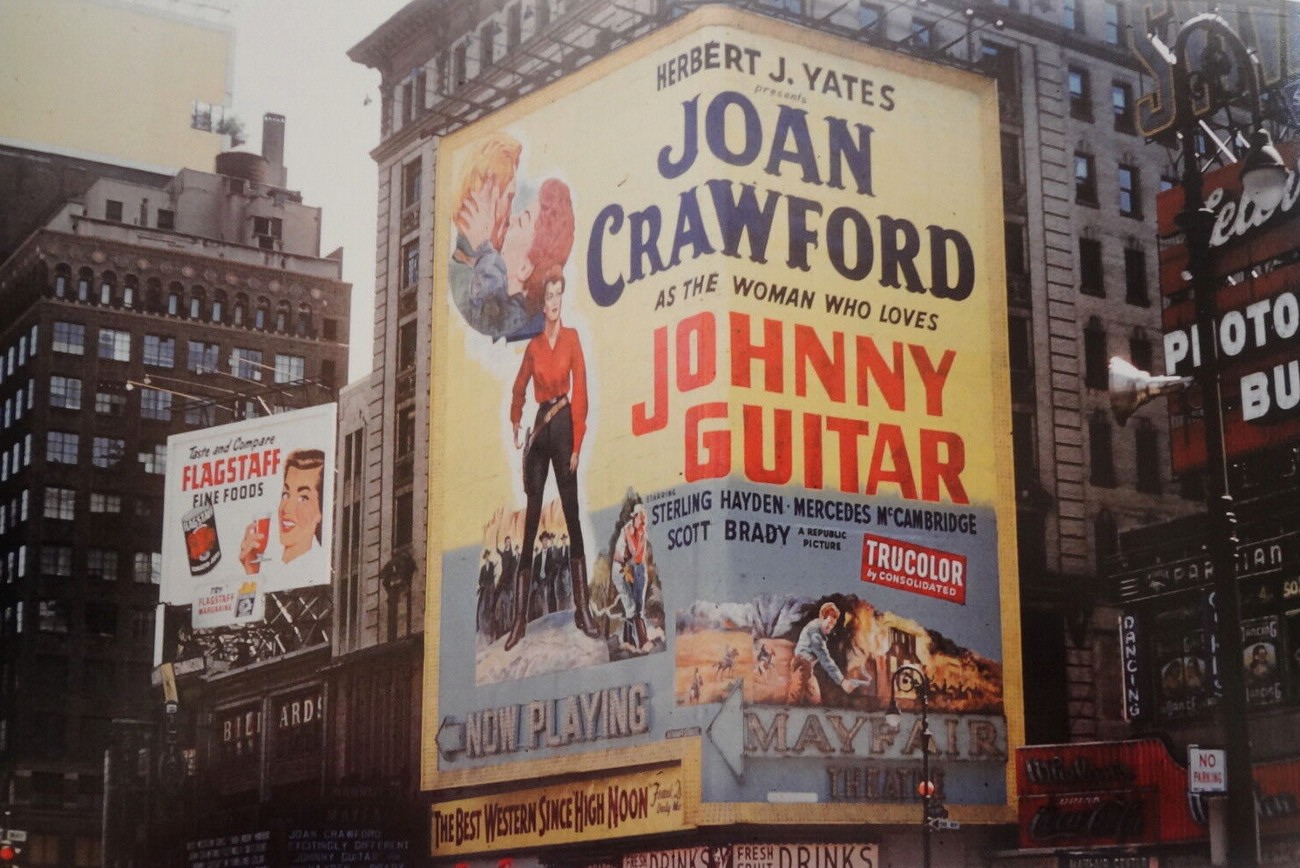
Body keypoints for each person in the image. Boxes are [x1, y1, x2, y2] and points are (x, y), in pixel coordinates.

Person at [505, 266, 599, 650]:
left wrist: (577, 444)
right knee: (531, 518)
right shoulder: (534, 347)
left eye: (559, 294)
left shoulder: (573, 339)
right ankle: (519, 621)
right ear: (542, 305)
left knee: (572, 512)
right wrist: (515, 422)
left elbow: (582, 392)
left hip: (564, 429)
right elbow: (518, 388)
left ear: (563, 298)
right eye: (549, 296)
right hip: (541, 432)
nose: (555, 302)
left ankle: (583, 610)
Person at [239, 449, 328, 592]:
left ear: (320, 512)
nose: (286, 508)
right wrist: (251, 572)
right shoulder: (271, 566)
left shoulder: (316, 569)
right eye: (286, 495)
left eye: (302, 498)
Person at [786, 602, 870, 706]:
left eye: (833, 624)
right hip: (802, 666)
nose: (830, 627)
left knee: (816, 701)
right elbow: (825, 660)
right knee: (793, 700)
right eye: (829, 622)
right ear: (822, 617)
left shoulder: (817, 630)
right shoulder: (815, 634)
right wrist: (842, 681)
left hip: (807, 668)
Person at [612, 503, 652, 651]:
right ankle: (639, 641)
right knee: (631, 606)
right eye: (640, 519)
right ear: (635, 517)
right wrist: (634, 536)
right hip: (620, 570)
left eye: (643, 520)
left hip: (630, 569)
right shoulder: (628, 530)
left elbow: (639, 557)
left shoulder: (641, 531)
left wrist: (641, 534)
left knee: (635, 606)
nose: (642, 522)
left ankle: (631, 640)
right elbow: (633, 553)